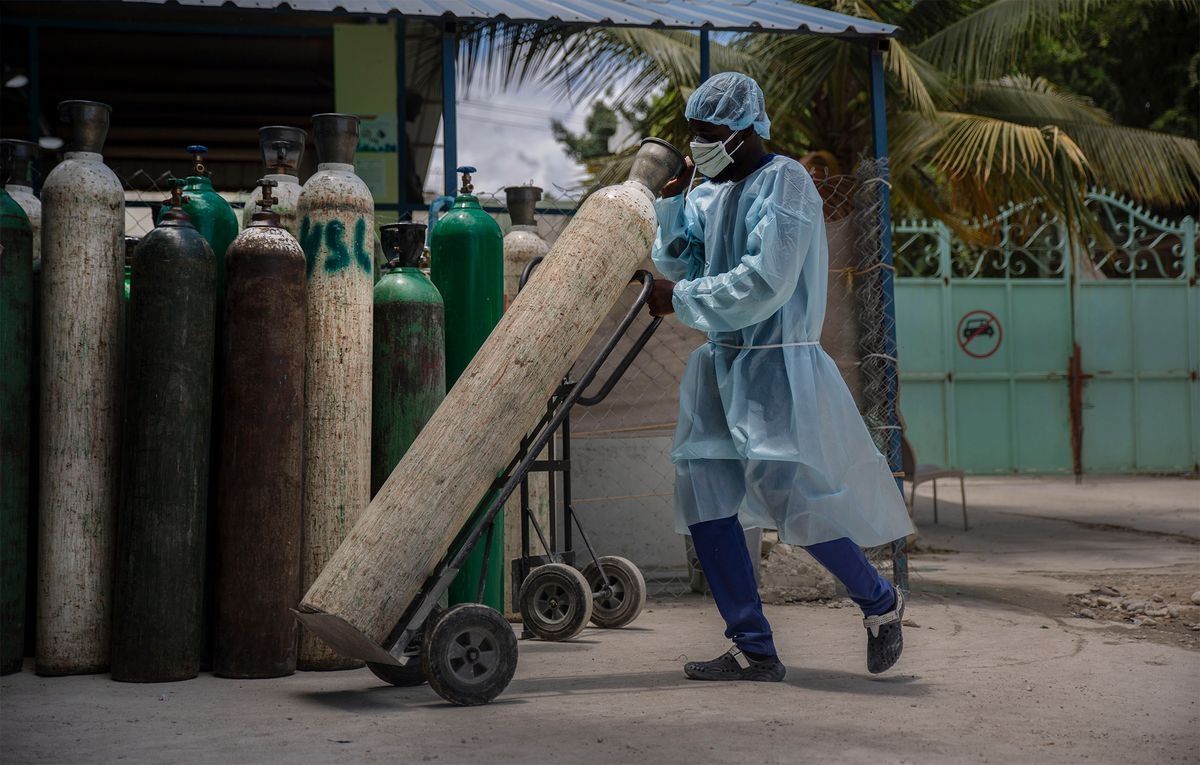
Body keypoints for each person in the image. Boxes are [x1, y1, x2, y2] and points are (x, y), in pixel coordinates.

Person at [648, 72, 915, 682]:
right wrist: (671, 208)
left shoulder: (787, 182)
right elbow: (680, 262)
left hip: (776, 364)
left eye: (709, 134)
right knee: (705, 497)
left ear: (744, 131)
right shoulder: (707, 192)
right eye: (693, 135)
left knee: (793, 500)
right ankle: (753, 647)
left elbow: (766, 282)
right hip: (720, 364)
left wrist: (680, 297)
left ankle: (879, 602)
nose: (698, 147)